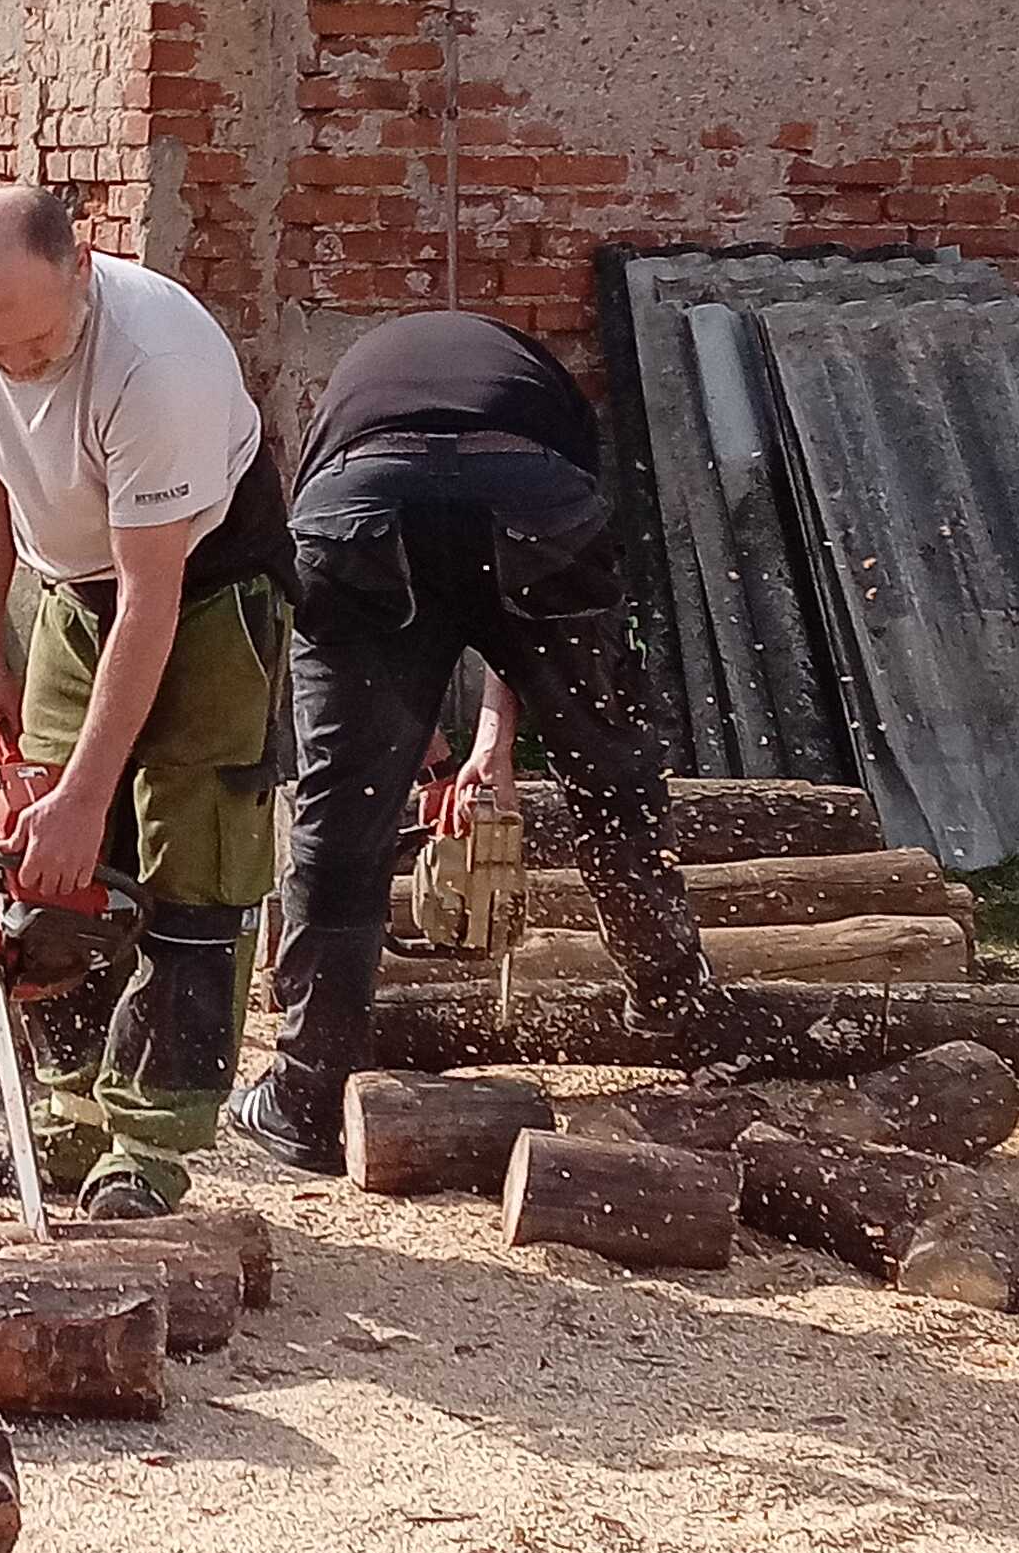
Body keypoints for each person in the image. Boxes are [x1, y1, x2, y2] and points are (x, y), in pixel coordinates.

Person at [222, 309, 710, 1173]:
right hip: (533, 500)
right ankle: (672, 1006)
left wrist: (473, 748)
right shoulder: (545, 400)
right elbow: (523, 619)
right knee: (610, 776)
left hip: (360, 506)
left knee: (343, 811)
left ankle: (306, 1096)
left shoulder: (351, 398)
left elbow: (383, 661)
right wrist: (484, 743)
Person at [0, 185, 289, 1218]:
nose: (16, 365)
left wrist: (88, 794)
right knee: (45, 866)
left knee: (191, 864)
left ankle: (151, 1146)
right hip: (67, 587)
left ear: (83, 266)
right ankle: (70, 1119)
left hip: (205, 590)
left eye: (36, 342)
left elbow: (151, 596)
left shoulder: (154, 362)